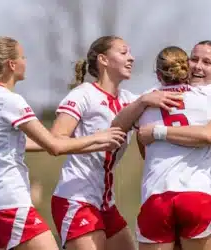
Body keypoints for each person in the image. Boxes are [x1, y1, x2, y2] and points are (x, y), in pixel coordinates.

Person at [0, 36, 126, 250]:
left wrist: (92, 143)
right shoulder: (10, 100)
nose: (26, 61)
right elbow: (54, 145)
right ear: (12, 65)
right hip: (10, 201)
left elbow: (22, 143)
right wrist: (98, 137)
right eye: (23, 56)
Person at [50, 35, 183, 250]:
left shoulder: (131, 100)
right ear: (103, 60)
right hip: (76, 198)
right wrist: (97, 138)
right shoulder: (83, 94)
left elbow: (173, 101)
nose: (131, 58)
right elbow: (55, 140)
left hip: (105, 204)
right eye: (123, 52)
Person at [139, 40, 211, 250]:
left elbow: (209, 134)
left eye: (207, 62)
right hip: (178, 195)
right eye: (194, 59)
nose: (198, 66)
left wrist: (156, 131)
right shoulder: (161, 97)